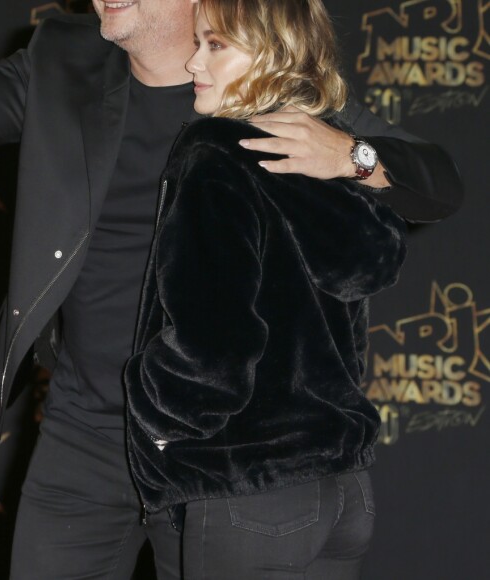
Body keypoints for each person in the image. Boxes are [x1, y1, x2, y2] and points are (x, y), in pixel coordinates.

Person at [0, 1, 462, 578]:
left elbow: (439, 183)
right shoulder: (60, 58)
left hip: (211, 450)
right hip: (82, 436)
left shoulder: (263, 83)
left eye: (214, 45)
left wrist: (353, 156)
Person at [123, 1, 406, 578]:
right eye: (198, 41)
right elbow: (373, 264)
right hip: (343, 491)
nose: (194, 59)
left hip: (248, 490)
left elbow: (214, 349)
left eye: (216, 45)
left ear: (273, 54)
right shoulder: (327, 154)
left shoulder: (215, 154)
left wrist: (152, 419)